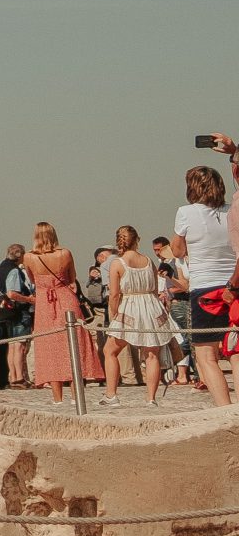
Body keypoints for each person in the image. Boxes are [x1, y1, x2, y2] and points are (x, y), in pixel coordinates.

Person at [174, 149, 236, 406]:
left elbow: (177, 250)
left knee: (206, 355)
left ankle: (225, 410)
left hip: (204, 288)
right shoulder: (232, 209)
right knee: (235, 351)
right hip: (234, 284)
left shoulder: (186, 213)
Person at [23, 222, 101, 402]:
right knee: (73, 345)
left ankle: (57, 398)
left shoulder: (29, 257)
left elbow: (32, 280)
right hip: (66, 298)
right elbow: (72, 277)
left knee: (49, 348)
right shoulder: (65, 254)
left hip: (44, 303)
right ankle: (76, 396)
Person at [102, 226, 175, 406]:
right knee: (152, 354)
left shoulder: (117, 263)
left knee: (110, 350)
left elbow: (114, 294)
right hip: (150, 304)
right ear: (137, 240)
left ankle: (111, 394)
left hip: (129, 305)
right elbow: (154, 287)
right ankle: (150, 398)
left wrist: (114, 313)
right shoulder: (149, 261)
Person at [0, 242, 29, 391]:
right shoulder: (13, 270)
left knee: (12, 345)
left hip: (3, 311)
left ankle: (13, 376)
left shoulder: (1, 268)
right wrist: (30, 299)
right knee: (18, 345)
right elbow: (12, 293)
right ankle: (17, 377)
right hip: (16, 311)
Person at [154, 235, 194, 384]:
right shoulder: (170, 263)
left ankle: (180, 367)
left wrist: (167, 293)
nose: (158, 253)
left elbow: (182, 285)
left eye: (160, 250)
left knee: (185, 339)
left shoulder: (175, 263)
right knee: (187, 338)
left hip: (180, 302)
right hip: (175, 303)